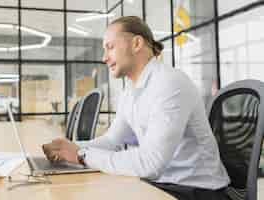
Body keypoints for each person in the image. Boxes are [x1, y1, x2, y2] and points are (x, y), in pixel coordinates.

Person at [42, 16, 230, 200]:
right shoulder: (130, 91)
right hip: (163, 183)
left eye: (110, 47)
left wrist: (82, 155)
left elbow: (151, 163)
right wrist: (68, 149)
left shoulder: (169, 83)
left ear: (136, 44)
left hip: (197, 190)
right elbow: (112, 141)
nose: (104, 58)